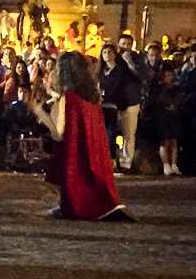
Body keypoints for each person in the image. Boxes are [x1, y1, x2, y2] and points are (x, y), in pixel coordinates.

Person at [30, 52, 131, 220]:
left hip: (73, 150)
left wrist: (40, 113)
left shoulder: (68, 97)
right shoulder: (92, 97)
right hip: (89, 150)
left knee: (57, 164)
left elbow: (58, 134)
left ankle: (68, 204)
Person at [99, 44, 142, 171]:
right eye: (104, 52)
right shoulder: (101, 71)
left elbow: (129, 82)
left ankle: (125, 163)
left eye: (110, 52)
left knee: (127, 133)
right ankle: (109, 160)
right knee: (108, 134)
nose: (107, 55)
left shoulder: (122, 70)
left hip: (123, 104)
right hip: (106, 106)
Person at [149, 64, 183, 176]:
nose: (168, 77)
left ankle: (174, 164)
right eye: (166, 75)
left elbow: (179, 100)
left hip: (174, 116)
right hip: (162, 116)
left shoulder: (176, 88)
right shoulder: (158, 88)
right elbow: (157, 101)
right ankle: (166, 165)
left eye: (170, 75)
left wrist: (175, 105)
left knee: (174, 141)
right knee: (165, 141)